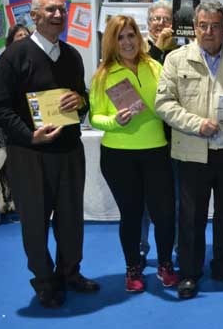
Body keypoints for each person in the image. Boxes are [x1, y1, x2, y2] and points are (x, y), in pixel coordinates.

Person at [0, 0, 99, 308]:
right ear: (34, 16)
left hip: (68, 151)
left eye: (62, 9)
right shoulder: (14, 56)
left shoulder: (73, 56)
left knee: (71, 219)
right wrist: (28, 135)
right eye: (50, 9)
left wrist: (81, 102)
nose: (58, 14)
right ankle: (45, 281)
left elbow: (82, 101)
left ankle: (70, 273)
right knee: (35, 222)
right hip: (30, 154)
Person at [155, 0, 223, 300]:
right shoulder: (176, 60)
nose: (209, 31)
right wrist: (196, 124)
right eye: (203, 25)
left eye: (215, 26)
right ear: (195, 27)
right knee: (190, 217)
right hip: (192, 150)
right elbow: (163, 103)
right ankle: (189, 273)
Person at [89, 15, 178, 293]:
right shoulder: (103, 74)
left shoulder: (155, 66)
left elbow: (170, 101)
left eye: (131, 35)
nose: (127, 42)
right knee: (131, 214)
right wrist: (115, 121)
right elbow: (95, 117)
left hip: (156, 151)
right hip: (119, 155)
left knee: (164, 214)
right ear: (111, 42)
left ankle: (165, 264)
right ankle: (132, 267)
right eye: (120, 37)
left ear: (139, 38)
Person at [139, 0, 178, 264]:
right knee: (142, 203)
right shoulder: (137, 50)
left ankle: (175, 249)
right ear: (148, 22)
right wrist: (157, 49)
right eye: (156, 19)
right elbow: (146, 84)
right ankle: (141, 249)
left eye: (166, 19)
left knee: (174, 201)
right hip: (146, 136)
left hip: (175, 138)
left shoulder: (182, 51)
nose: (161, 24)